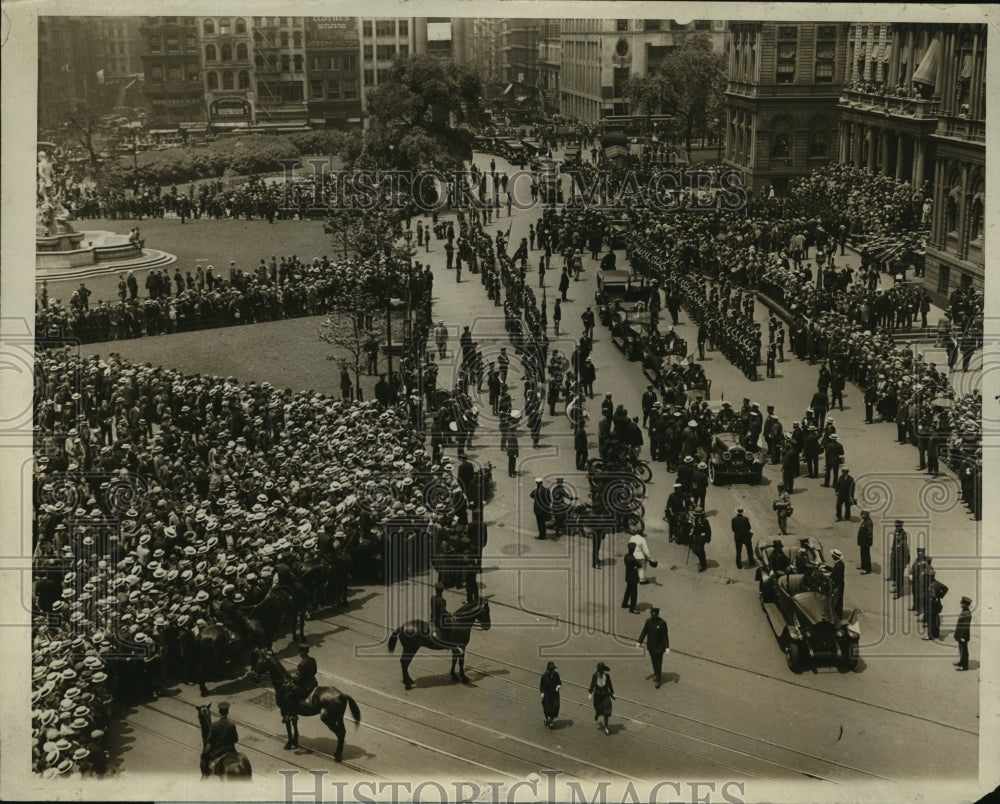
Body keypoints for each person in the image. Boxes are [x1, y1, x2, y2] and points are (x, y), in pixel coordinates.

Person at [201, 701, 239, 775]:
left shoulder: (214, 725)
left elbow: (209, 740)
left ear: (219, 712)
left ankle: (205, 776)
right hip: (231, 751)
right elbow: (236, 739)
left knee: (205, 759)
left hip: (218, 752)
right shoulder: (231, 725)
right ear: (227, 711)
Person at [635, 607, 670, 688]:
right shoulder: (648, 622)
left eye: (655, 615)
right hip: (651, 647)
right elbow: (644, 632)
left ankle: (658, 679)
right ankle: (655, 674)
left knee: (658, 663)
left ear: (657, 614)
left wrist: (667, 647)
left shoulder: (662, 623)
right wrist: (639, 642)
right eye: (652, 614)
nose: (653, 616)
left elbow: (665, 636)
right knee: (653, 662)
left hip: (659, 648)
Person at [587, 662, 615, 735]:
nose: (602, 671)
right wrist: (590, 693)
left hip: (605, 696)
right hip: (597, 697)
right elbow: (592, 684)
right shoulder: (595, 676)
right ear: (598, 670)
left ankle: (606, 727)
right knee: (598, 708)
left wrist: (613, 693)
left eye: (603, 670)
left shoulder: (607, 676)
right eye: (600, 670)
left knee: (606, 711)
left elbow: (610, 685)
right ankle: (597, 713)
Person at [539, 661, 561, 728]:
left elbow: (559, 683)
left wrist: (558, 686)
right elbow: (541, 686)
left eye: (553, 670)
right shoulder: (544, 676)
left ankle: (551, 721)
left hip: (555, 695)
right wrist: (542, 692)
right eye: (551, 671)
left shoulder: (556, 674)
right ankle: (546, 718)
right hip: (547, 696)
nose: (552, 672)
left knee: (555, 708)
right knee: (547, 709)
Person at [621, 542, 641, 613]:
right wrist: (637, 564)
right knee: (634, 594)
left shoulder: (626, 556)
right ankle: (632, 608)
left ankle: (624, 603)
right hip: (633, 578)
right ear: (633, 549)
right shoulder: (632, 559)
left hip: (628, 577)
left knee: (628, 591)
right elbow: (639, 565)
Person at [954, 596, 972, 670]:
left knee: (964, 650)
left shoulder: (967, 613)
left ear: (966, 605)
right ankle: (961, 662)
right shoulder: (964, 610)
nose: (961, 605)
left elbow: (965, 626)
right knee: (961, 649)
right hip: (960, 634)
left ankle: (964, 666)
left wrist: (962, 636)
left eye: (962, 604)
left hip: (963, 636)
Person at [690, 507, 711, 572]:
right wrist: (692, 533)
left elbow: (708, 531)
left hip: (702, 537)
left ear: (700, 514)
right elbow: (695, 528)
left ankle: (703, 565)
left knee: (699, 550)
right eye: (695, 514)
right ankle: (703, 561)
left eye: (697, 514)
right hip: (696, 536)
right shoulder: (696, 519)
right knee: (695, 550)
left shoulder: (705, 521)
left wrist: (707, 538)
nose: (695, 515)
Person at [829, 549, 846, 618]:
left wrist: (831, 576)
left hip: (838, 585)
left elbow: (838, 577)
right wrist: (827, 567)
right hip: (839, 585)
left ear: (835, 556)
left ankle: (838, 615)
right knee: (838, 600)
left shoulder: (839, 565)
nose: (832, 556)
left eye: (833, 555)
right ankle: (838, 614)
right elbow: (834, 570)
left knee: (838, 601)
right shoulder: (838, 563)